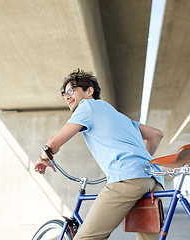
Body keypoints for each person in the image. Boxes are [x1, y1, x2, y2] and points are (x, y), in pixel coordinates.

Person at [35, 69, 164, 240]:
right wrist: (141, 165)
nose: (67, 96)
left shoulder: (87, 106)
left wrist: (43, 158)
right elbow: (156, 134)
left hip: (128, 180)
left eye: (71, 91)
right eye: (64, 94)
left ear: (89, 91)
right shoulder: (120, 117)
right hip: (153, 180)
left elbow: (53, 144)